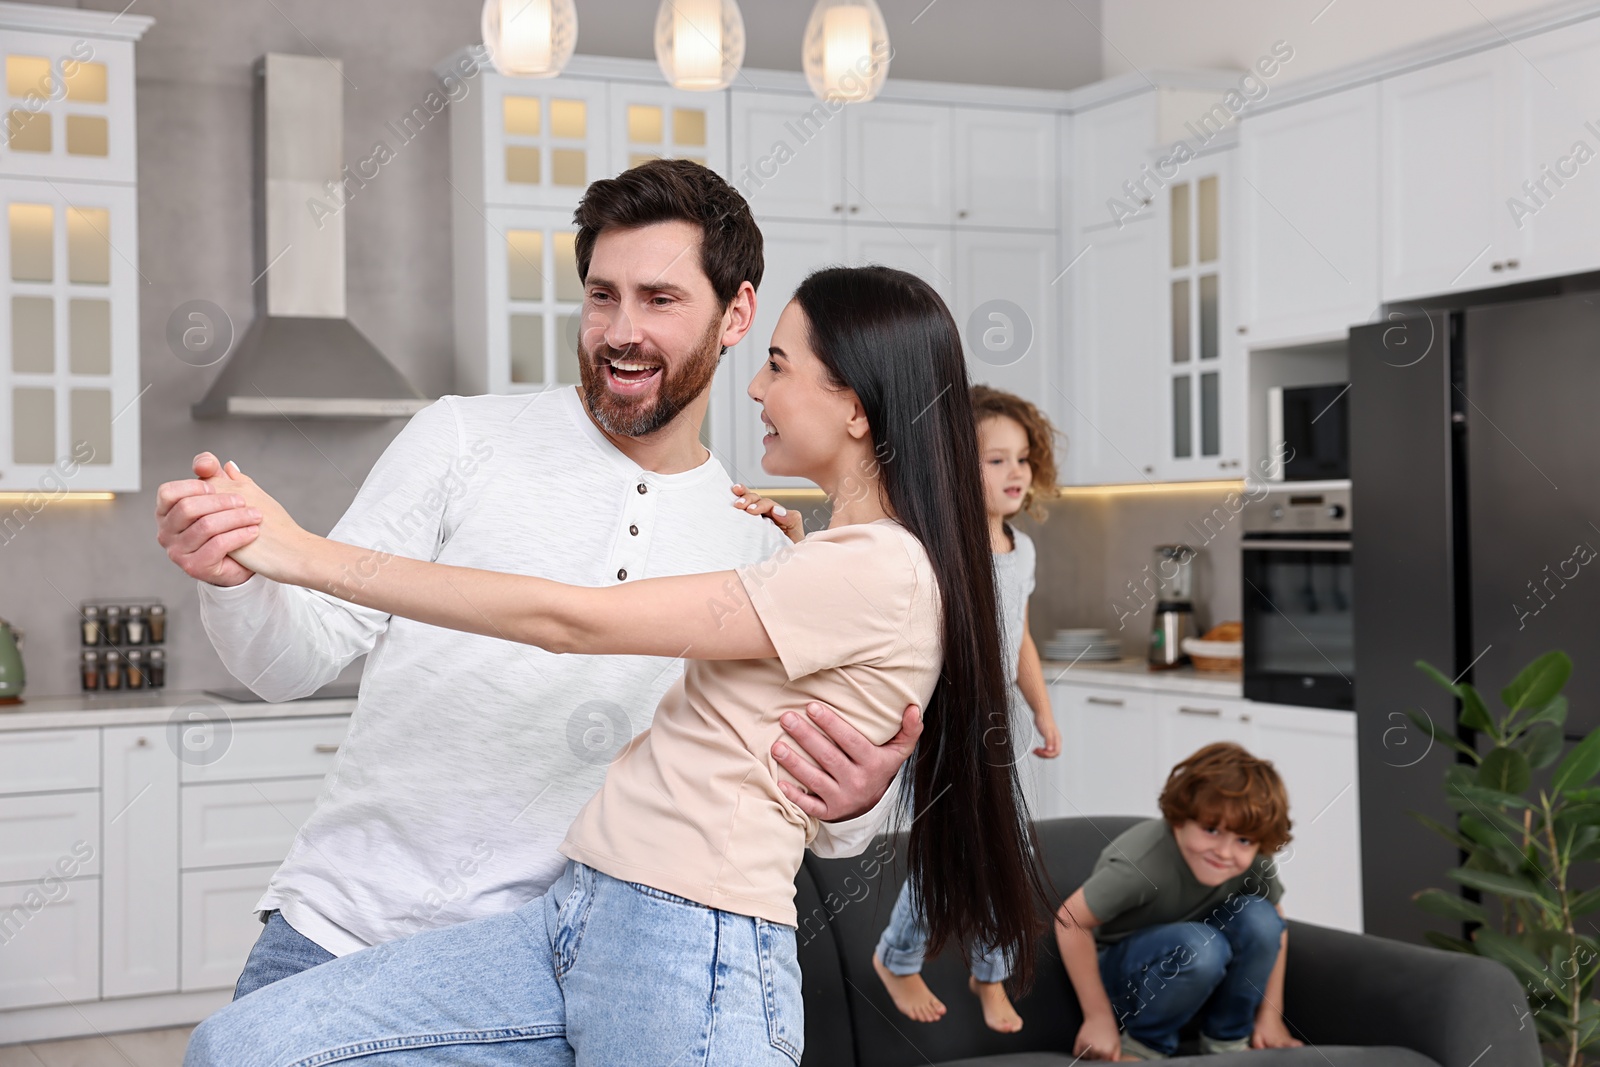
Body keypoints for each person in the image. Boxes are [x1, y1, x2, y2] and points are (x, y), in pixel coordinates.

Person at [182, 264, 1048, 1066]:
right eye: (603, 295)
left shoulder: (839, 558)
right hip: (556, 908)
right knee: (238, 1046)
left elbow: (573, 620)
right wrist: (253, 571)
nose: (758, 385)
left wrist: (293, 547)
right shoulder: (800, 548)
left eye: (663, 300)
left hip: (681, 936)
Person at [153, 160, 915, 997]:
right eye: (601, 295)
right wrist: (234, 577)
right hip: (343, 932)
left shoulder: (757, 542)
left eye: (659, 300)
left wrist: (855, 803)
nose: (621, 329)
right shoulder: (459, 439)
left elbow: (772, 807)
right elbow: (289, 665)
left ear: (735, 314)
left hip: (560, 974)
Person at [872, 384, 1063, 1033]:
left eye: (1023, 459)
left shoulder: (1021, 549)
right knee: (952, 850)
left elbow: (1021, 640)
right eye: (996, 460)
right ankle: (900, 957)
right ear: (957, 465)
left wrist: (1042, 711)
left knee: (999, 848)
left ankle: (989, 971)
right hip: (943, 724)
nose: (1016, 473)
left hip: (996, 728)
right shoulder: (940, 548)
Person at [1056, 742, 1302, 1060]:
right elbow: (1069, 919)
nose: (1225, 853)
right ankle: (1146, 1045)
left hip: (1200, 970)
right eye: (1211, 830)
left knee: (1262, 917)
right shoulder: (1142, 865)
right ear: (1180, 820)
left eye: (1243, 840)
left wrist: (1271, 1016)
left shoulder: (1254, 862)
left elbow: (1274, 927)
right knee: (1201, 944)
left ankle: (1227, 1041)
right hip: (1126, 978)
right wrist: (1097, 1017)